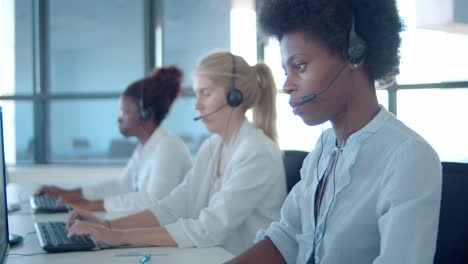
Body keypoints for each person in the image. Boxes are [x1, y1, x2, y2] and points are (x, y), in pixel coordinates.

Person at [228, 0, 442, 263]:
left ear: (355, 54)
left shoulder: (408, 156)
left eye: (300, 66)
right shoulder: (325, 147)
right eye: (286, 71)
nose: (287, 85)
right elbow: (286, 238)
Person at [65, 52, 287, 255]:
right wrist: (108, 226)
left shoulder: (257, 152)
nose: (197, 105)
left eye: (206, 94)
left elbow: (208, 228)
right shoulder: (213, 147)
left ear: (234, 96)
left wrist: (117, 237)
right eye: (196, 95)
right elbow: (172, 207)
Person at [35, 66, 193, 212]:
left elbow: (154, 201)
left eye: (125, 112)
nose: (119, 118)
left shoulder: (168, 146)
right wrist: (67, 193)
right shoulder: (145, 147)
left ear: (147, 114)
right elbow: (122, 185)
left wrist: (91, 205)